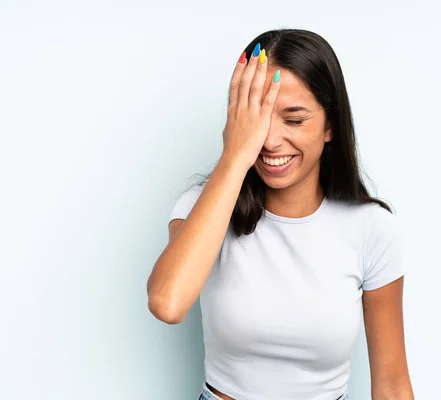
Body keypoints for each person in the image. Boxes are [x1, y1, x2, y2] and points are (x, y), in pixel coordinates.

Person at [147, 28, 414, 400]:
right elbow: (167, 303)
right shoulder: (202, 209)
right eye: (257, 120)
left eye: (294, 119)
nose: (270, 141)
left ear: (330, 125)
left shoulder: (372, 229)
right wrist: (236, 155)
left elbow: (392, 383)